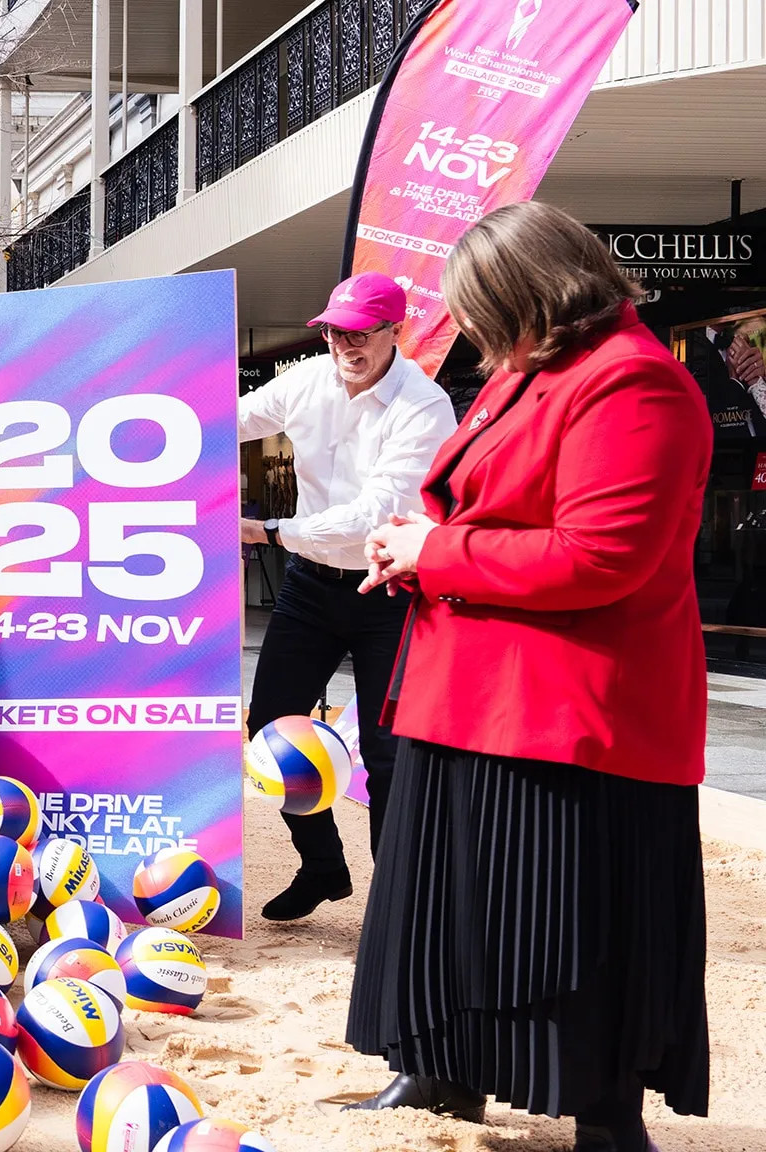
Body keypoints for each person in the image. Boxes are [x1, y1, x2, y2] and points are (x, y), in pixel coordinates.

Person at [345, 202, 710, 1150]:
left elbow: (600, 557)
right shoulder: (531, 369)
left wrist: (437, 551)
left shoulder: (633, 380)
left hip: (568, 709)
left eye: (476, 306)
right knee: (445, 902)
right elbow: (486, 506)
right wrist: (419, 544)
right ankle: (440, 1074)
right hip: (472, 690)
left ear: (529, 292)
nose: (467, 326)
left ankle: (605, 1119)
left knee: (563, 926)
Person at [236, 272, 456, 921]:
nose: (344, 346)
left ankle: (395, 908)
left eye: (360, 334)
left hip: (391, 588)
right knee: (271, 729)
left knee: (389, 754)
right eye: (334, 332)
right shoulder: (307, 379)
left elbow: (376, 513)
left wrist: (272, 531)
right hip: (311, 586)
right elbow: (229, 419)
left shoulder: (424, 406)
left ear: (395, 331)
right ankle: (323, 866)